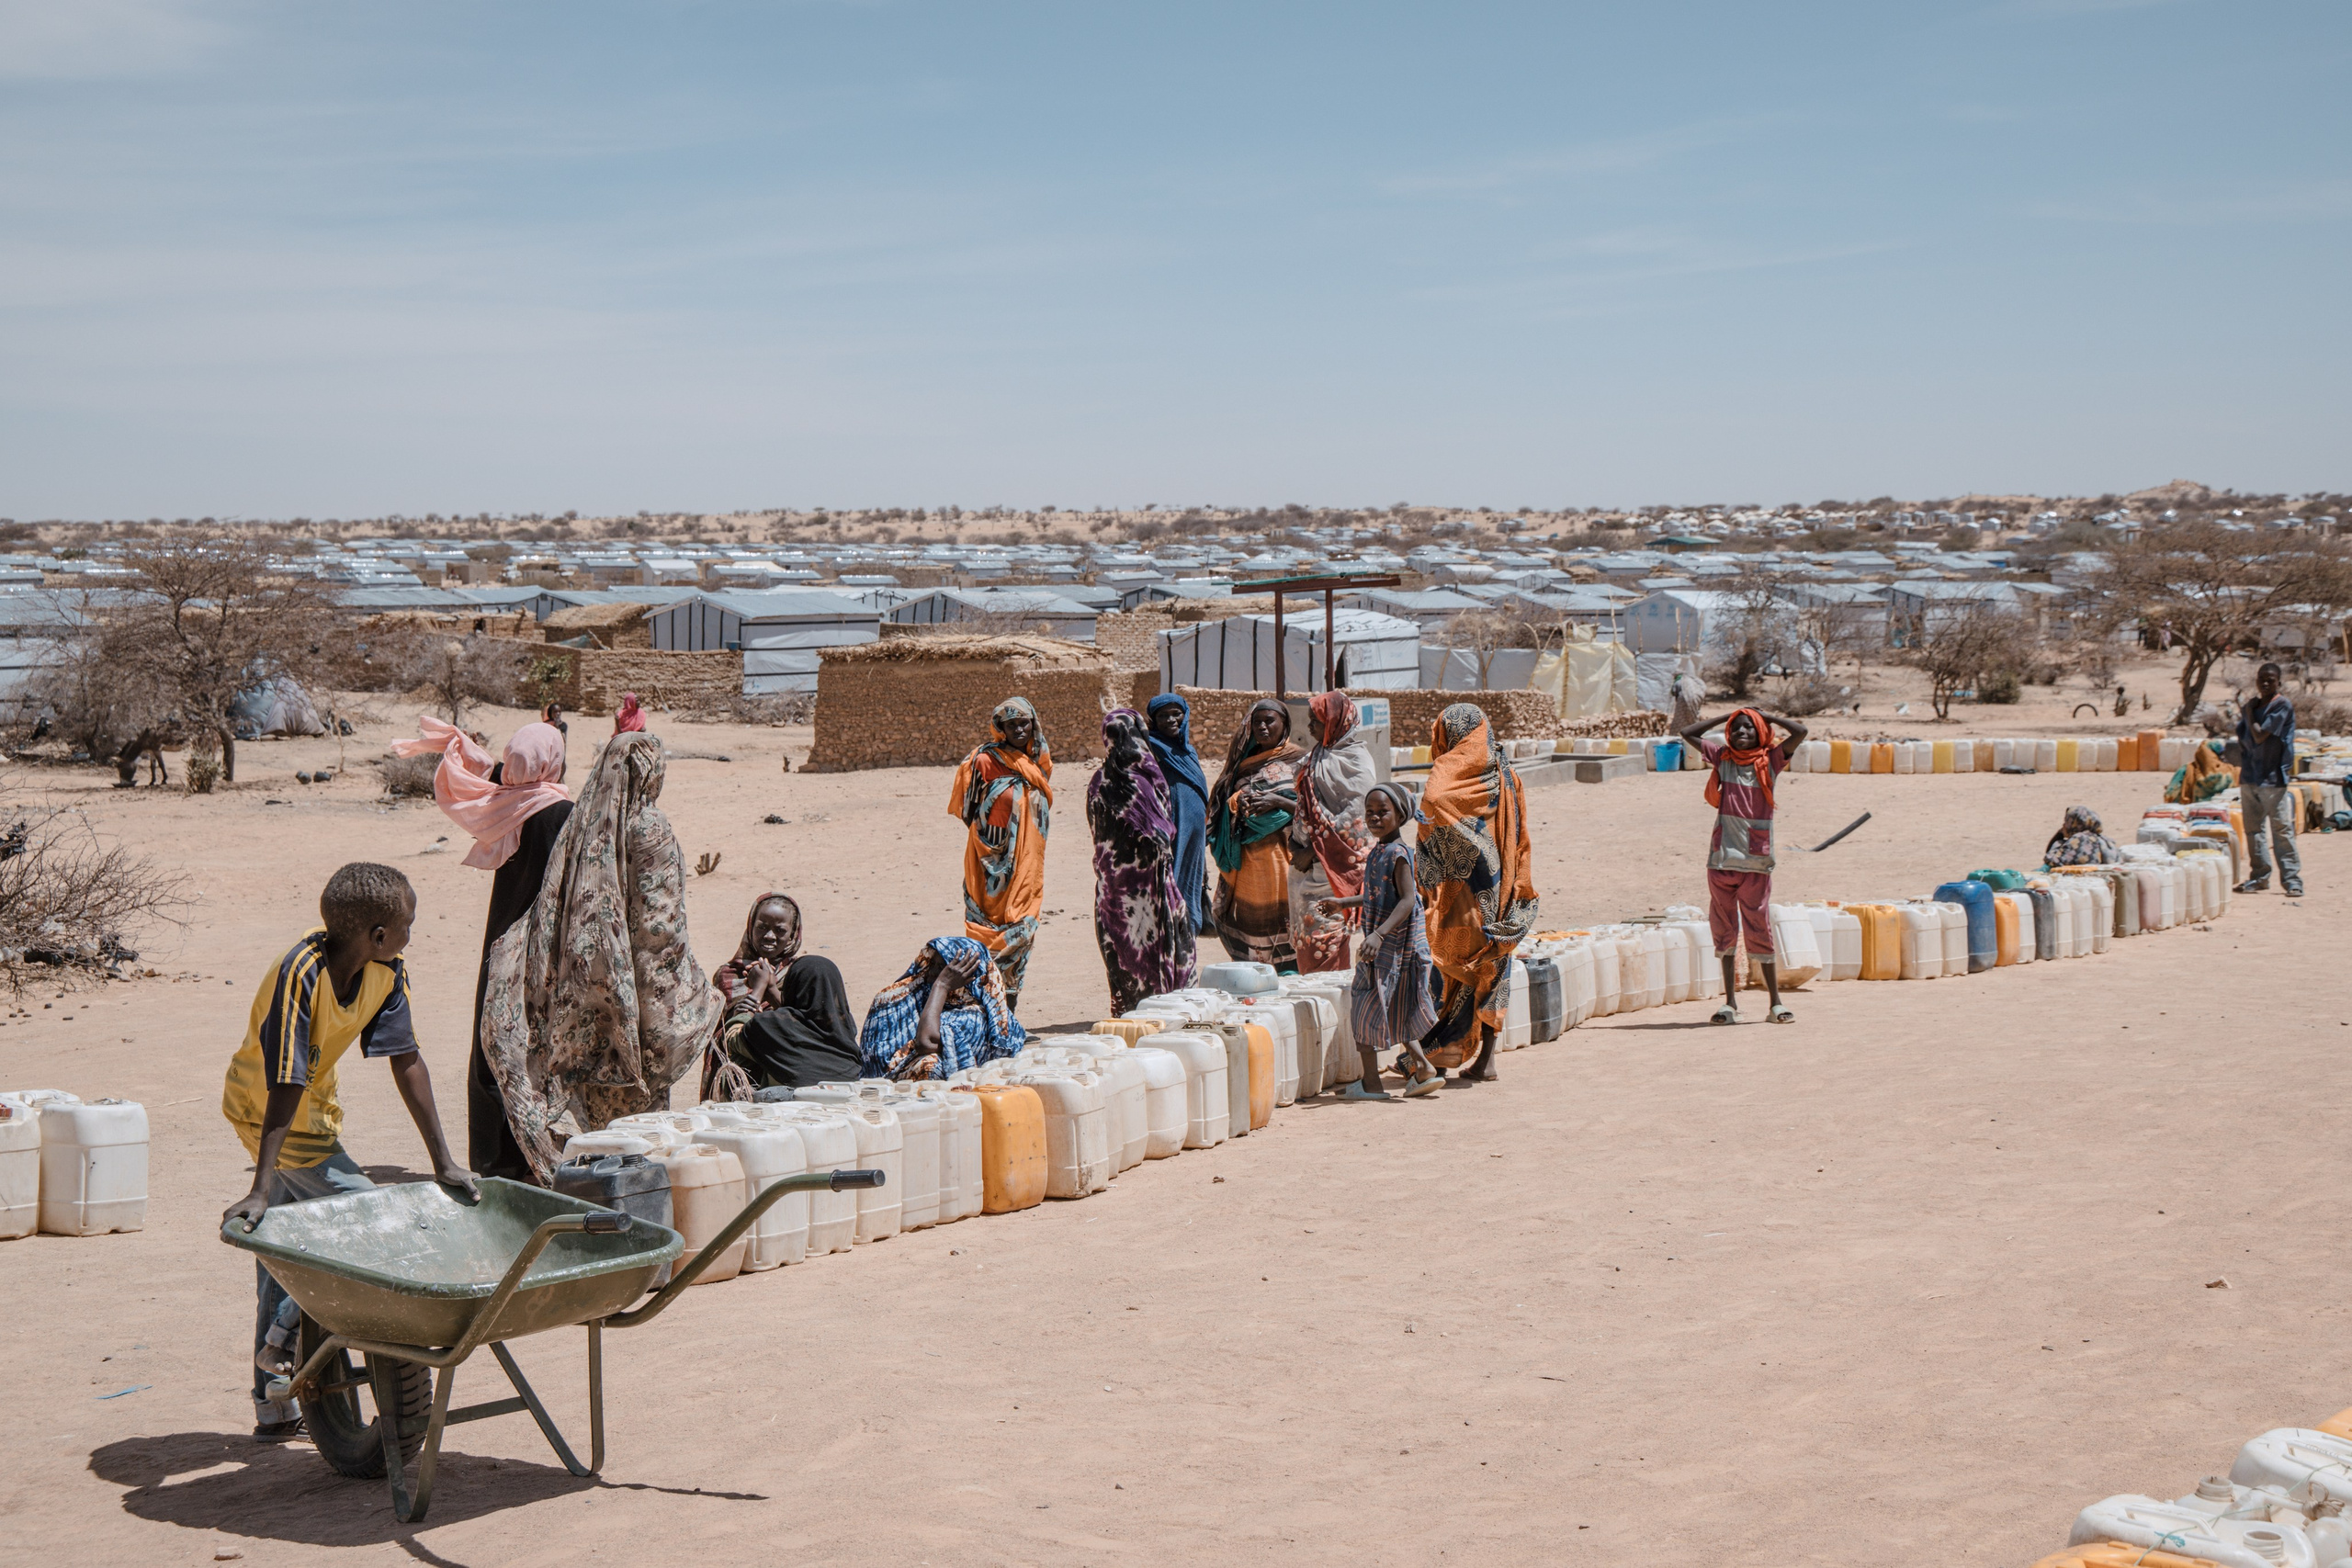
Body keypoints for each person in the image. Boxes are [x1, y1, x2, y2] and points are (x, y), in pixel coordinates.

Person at [220, 863, 476, 1442]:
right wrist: (259, 1186)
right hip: (267, 1111)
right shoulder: (300, 975)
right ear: (377, 933)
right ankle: (288, 1335)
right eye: (408, 923)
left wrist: (444, 1161)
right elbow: (283, 1080)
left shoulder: (386, 971)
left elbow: (405, 1059)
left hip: (312, 1110)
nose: (414, 932)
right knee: (365, 1210)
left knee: (280, 1245)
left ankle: (273, 1400)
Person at [478, 731, 719, 1181]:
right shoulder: (648, 827)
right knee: (636, 1132)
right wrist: (689, 1000)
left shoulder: (581, 825)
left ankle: (594, 1194)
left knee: (598, 1125)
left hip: (585, 999)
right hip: (636, 1004)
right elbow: (658, 931)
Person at [390, 717, 572, 1182]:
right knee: (539, 1052)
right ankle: (540, 1158)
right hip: (544, 951)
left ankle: (496, 1163)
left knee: (492, 1046)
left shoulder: (501, 803)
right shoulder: (560, 812)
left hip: (501, 943)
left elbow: (490, 773)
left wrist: (464, 749)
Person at [1416, 704, 1541, 1082]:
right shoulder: (1505, 773)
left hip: (1459, 890)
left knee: (1448, 965)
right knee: (1490, 966)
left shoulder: (1446, 771)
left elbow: (1433, 805)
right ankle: (1485, 1061)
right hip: (1500, 886)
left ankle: (1438, 1057)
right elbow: (1518, 833)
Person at [1678, 706, 1806, 1024]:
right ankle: (1730, 1003)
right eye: (1737, 729)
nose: (1742, 733)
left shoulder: (1771, 761)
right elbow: (1687, 734)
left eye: (1749, 728)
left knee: (1758, 927)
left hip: (1757, 863)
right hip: (1721, 859)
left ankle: (1775, 1002)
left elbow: (1800, 732)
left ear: (1761, 732)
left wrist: (1768, 717)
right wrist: (1726, 718)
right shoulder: (1722, 758)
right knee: (1725, 929)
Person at [1315, 783, 1442, 1100]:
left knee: (1364, 1008)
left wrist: (1378, 934)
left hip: (1390, 947)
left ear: (1400, 814)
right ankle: (1424, 1067)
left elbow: (1408, 900)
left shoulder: (1398, 854)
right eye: (1369, 812)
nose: (1374, 817)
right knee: (1394, 1009)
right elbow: (1376, 895)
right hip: (1386, 946)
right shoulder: (1380, 852)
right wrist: (1344, 904)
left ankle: (1372, 1084)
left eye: (1382, 811)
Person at [1087, 709, 1197, 1013]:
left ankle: (1131, 1013)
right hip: (1149, 887)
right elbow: (1163, 834)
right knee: (1154, 948)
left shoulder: (1098, 780)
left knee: (1124, 950)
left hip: (1113, 887)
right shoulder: (1148, 779)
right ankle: (1162, 1009)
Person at [949, 697, 1053, 1011]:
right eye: (1011, 725)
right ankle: (985, 1013)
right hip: (988, 863)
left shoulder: (1038, 762)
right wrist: (996, 838)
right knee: (987, 931)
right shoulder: (983, 760)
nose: (1019, 729)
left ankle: (1008, 1014)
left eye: (1024, 723)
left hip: (1027, 863)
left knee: (1023, 928)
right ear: (1000, 728)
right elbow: (968, 809)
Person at [707, 892, 862, 1091]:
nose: (769, 936)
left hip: (786, 1071)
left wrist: (766, 990)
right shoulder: (728, 975)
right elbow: (724, 1034)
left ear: (793, 933)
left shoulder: (802, 973)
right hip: (740, 1074)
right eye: (762, 927)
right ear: (750, 927)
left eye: (779, 930)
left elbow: (806, 1023)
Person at [1209, 698, 1305, 969]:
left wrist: (1276, 801)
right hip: (1251, 862)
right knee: (1254, 923)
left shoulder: (1301, 761)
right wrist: (1238, 802)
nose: (1262, 727)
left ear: (1284, 723)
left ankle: (1291, 971)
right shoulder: (1241, 765)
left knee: (1289, 918)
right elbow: (1220, 806)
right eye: (1257, 722)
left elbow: (1314, 810)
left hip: (1289, 857)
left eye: (1269, 721)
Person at [1289, 691, 1376, 973]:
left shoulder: (1357, 762)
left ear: (1335, 723)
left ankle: (1327, 1009)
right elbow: (1303, 807)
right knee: (1310, 941)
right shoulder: (1317, 755)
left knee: (1323, 941)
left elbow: (1355, 820)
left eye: (1317, 721)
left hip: (1334, 868)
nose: (1310, 727)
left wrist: (1312, 852)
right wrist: (1295, 843)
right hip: (1308, 869)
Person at [858, 936, 1027, 1080]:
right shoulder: (917, 993)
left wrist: (942, 985)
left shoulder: (980, 1015)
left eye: (943, 969)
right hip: (882, 1081)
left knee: (931, 1065)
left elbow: (926, 1042)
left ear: (969, 976)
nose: (931, 972)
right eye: (932, 964)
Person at [1145, 694, 1213, 942]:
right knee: (1169, 882)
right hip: (1169, 829)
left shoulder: (1188, 751)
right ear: (1153, 720)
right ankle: (1171, 938)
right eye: (1163, 715)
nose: (1171, 720)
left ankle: (1187, 936)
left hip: (1194, 833)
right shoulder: (1150, 747)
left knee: (1191, 881)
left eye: (1176, 714)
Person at [2236, 661, 2302, 896]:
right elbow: (2242, 737)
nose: (2265, 683)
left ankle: (2292, 880)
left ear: (2279, 682)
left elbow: (2260, 735)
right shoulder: (2254, 707)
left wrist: (2248, 712)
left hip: (2273, 778)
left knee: (2281, 830)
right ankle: (2259, 876)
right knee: (2253, 831)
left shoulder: (2281, 705)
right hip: (2250, 776)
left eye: (2270, 680)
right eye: (2261, 679)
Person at [2043, 805, 2120, 867]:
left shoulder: (2080, 839)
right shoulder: (2104, 840)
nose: (2063, 825)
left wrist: (2059, 835)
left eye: (2067, 821)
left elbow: (2052, 862)